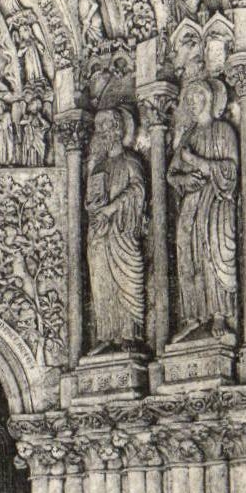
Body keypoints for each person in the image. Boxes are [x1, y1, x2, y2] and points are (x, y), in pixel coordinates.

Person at [167, 77, 239, 339]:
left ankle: (219, 315)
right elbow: (171, 175)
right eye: (188, 100)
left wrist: (196, 161)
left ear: (208, 99)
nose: (191, 103)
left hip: (216, 203)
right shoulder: (188, 135)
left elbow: (232, 170)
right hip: (191, 204)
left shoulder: (223, 131)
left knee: (212, 254)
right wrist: (184, 178)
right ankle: (193, 316)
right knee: (187, 255)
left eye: (195, 98)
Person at [85, 106, 146, 349]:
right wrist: (94, 208)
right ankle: (107, 335)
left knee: (127, 281)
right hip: (100, 234)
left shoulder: (130, 160)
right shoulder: (98, 167)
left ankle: (128, 334)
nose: (100, 132)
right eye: (98, 127)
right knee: (101, 282)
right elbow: (92, 200)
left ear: (118, 128)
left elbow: (138, 190)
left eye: (105, 126)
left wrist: (112, 208)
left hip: (122, 233)